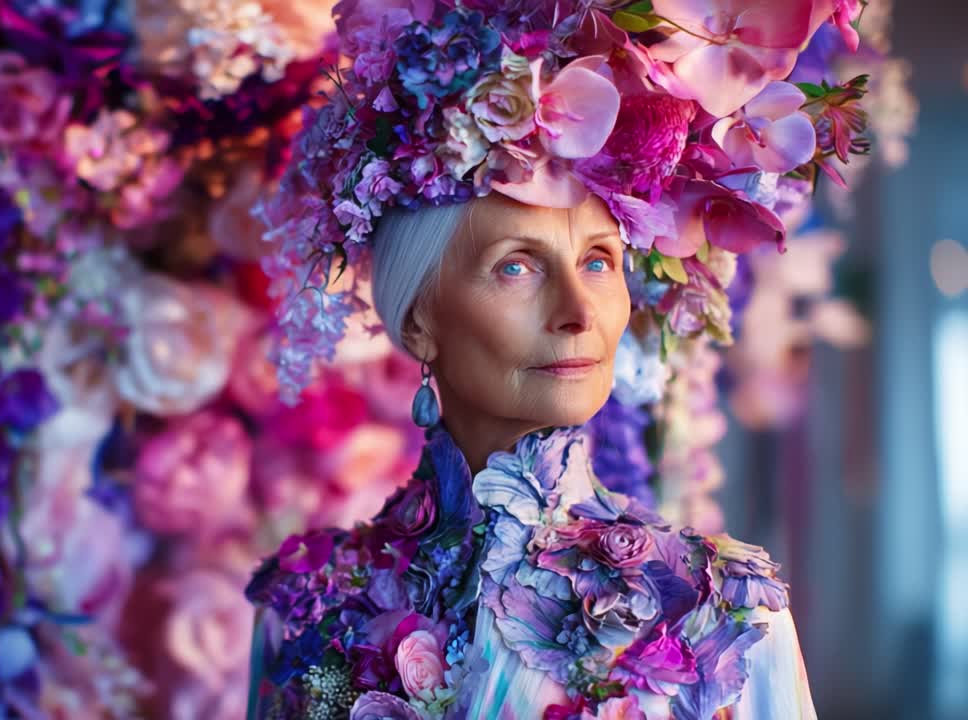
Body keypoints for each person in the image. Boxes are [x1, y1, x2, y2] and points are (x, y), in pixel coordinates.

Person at [245, 2, 862, 717]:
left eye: (599, 262)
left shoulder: (722, 611)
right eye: (515, 268)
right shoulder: (312, 602)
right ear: (418, 322)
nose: (578, 310)